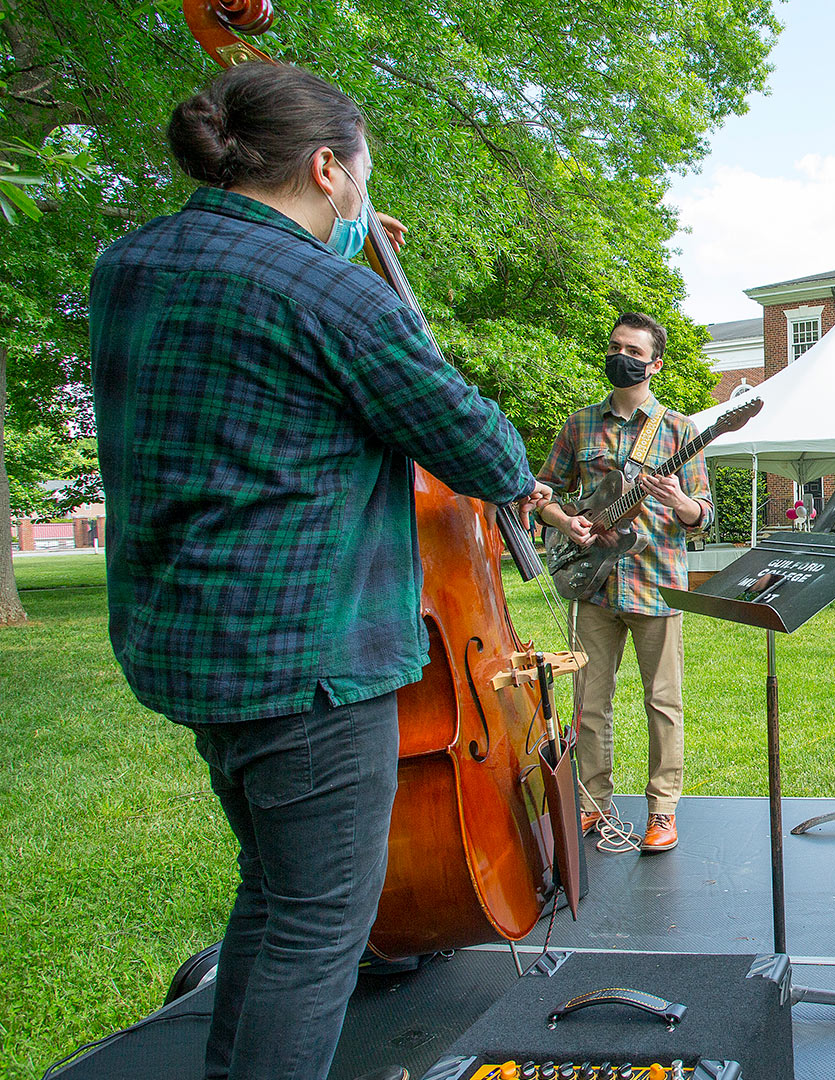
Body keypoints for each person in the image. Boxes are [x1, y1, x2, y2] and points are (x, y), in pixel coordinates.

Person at [90, 64, 551, 1080]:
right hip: (305, 657)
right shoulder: (325, 288)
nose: (364, 205)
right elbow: (484, 455)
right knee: (317, 930)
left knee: (275, 889)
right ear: (327, 167)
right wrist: (385, 300)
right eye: (363, 181)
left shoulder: (128, 266)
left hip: (189, 642)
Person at [536, 312, 713, 855]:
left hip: (656, 584)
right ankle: (593, 803)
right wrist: (565, 521)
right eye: (615, 347)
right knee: (589, 700)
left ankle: (662, 810)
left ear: (654, 364)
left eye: (633, 351)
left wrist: (681, 504)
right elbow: (538, 493)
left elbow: (703, 513)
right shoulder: (580, 425)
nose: (622, 357)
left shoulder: (681, 431)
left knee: (663, 702)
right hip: (592, 585)